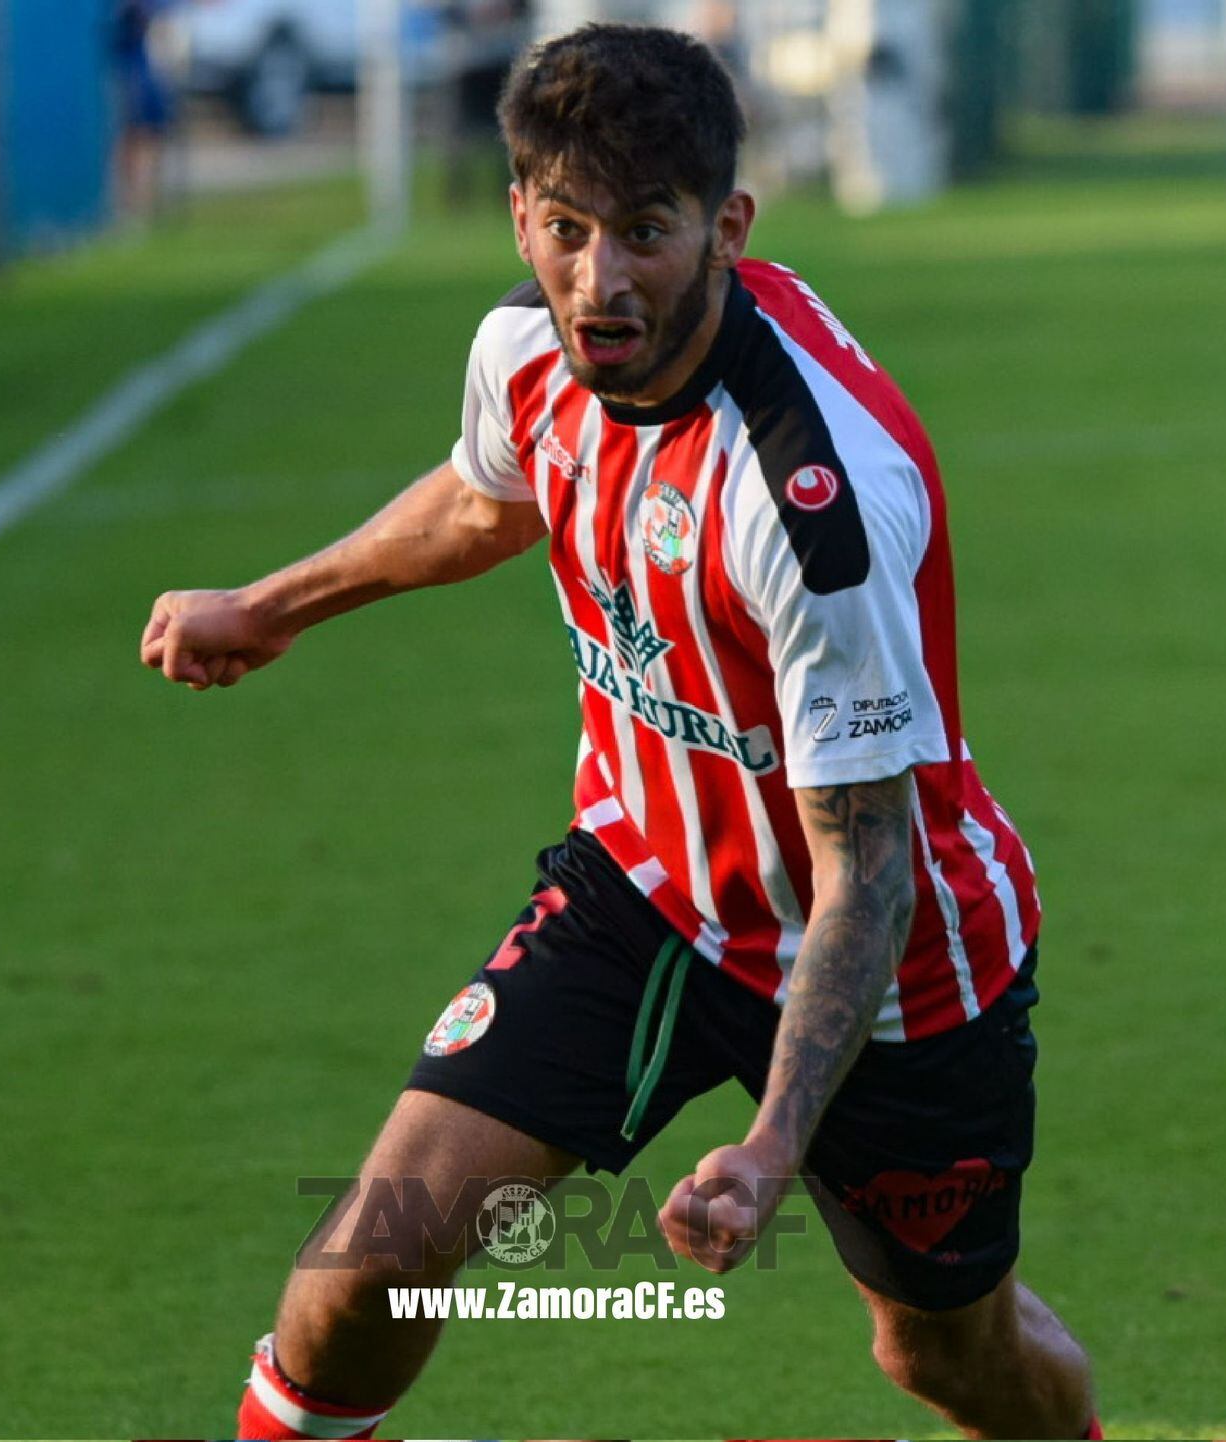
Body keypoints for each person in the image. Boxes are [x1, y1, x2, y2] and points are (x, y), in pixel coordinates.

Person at [140, 23, 1099, 1441]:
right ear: (522, 213)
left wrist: (775, 1139)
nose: (602, 279)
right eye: (569, 228)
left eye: (646, 232)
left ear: (727, 225)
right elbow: (488, 498)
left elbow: (870, 871)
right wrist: (275, 605)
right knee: (369, 1267)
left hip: (897, 965)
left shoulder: (805, 506)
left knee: (949, 1358)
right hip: (645, 883)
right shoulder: (527, 351)